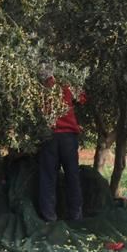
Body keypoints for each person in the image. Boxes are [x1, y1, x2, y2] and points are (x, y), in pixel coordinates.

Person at [37, 63, 87, 223]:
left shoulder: (40, 89)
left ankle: (49, 217)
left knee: (48, 177)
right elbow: (83, 99)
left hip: (49, 137)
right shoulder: (66, 84)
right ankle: (75, 216)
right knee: (72, 176)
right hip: (68, 137)